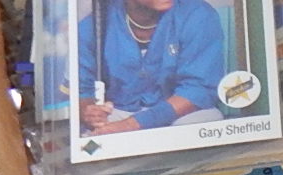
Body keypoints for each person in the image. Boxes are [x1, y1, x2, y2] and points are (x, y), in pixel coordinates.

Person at [76, 0, 224, 137]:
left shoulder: (198, 14)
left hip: (178, 113)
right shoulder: (94, 24)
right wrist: (91, 114)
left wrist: (132, 124)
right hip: (118, 113)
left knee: (205, 122)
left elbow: (197, 91)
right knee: (90, 142)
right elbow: (82, 91)